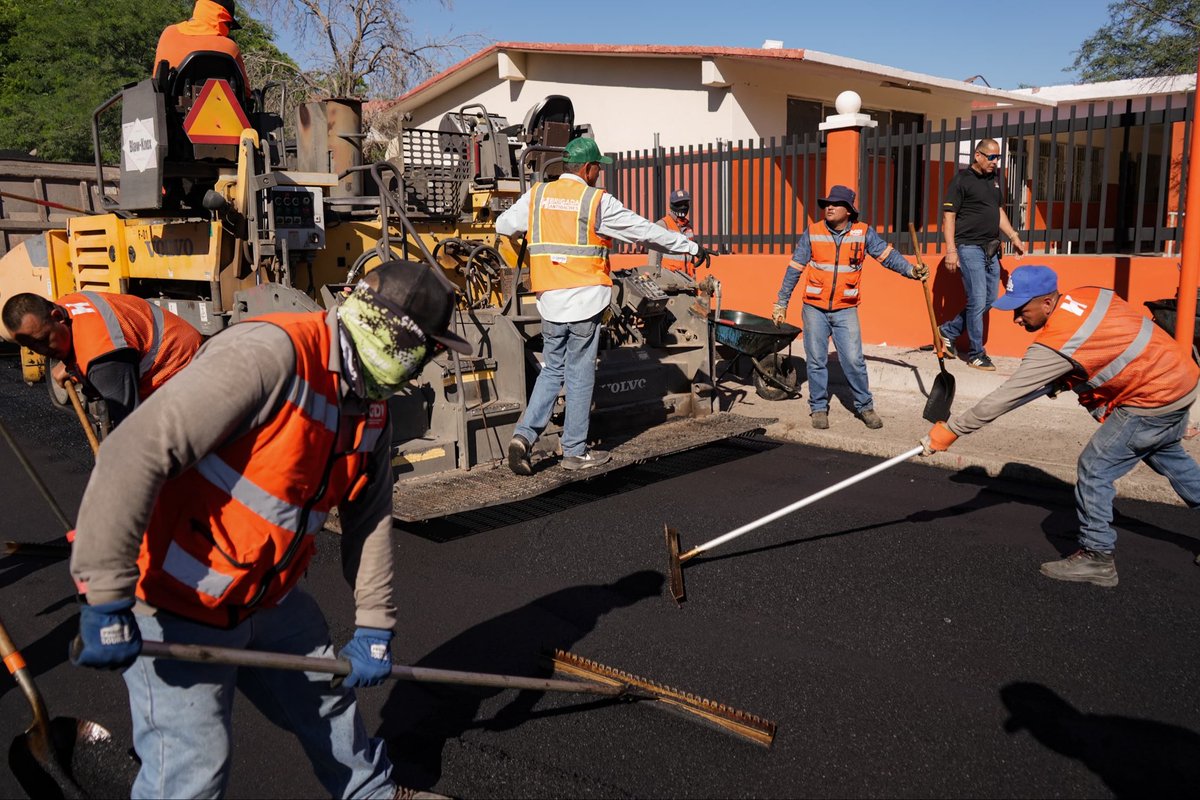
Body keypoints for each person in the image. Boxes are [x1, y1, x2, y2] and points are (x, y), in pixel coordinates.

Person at [67, 261, 470, 799]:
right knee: (191, 765)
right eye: (428, 348)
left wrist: (374, 625)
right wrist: (105, 592)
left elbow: (368, 517)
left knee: (326, 699)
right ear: (392, 332)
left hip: (267, 596)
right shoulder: (270, 355)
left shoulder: (371, 409)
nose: (426, 364)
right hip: (174, 599)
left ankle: (370, 792)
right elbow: (134, 450)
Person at [922, 265, 1200, 588]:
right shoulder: (1086, 295)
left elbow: (1004, 398)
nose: (1016, 319)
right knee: (1172, 461)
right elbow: (1105, 341)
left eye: (1021, 310)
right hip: (1181, 381)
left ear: (1048, 304)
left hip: (1152, 398)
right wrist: (1067, 378)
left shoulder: (1056, 341)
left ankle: (1098, 557)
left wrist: (953, 429)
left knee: (1095, 467)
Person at [496, 137, 708, 475]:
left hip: (549, 300)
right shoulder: (595, 202)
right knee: (580, 373)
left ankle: (523, 436)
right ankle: (575, 452)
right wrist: (691, 248)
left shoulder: (536, 196)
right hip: (583, 301)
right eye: (597, 168)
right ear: (587, 168)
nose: (598, 174)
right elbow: (645, 231)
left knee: (552, 369)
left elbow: (502, 225)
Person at [771, 185, 927, 430]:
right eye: (826, 204)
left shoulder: (863, 233)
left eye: (835, 204)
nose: (829, 207)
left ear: (849, 210)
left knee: (854, 360)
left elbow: (887, 256)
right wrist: (781, 302)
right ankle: (819, 408)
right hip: (814, 308)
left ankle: (865, 406)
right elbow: (795, 268)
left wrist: (910, 270)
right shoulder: (813, 232)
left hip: (846, 309)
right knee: (816, 361)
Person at [3, 291, 202, 428]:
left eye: (44, 340)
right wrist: (71, 366)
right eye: (31, 346)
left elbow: (130, 427)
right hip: (170, 341)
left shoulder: (102, 361)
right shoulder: (68, 303)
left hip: (178, 367)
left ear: (57, 317)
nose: (41, 351)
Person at [938, 138, 1026, 371]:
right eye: (992, 157)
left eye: (998, 158)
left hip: (991, 248)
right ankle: (976, 353)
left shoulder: (995, 182)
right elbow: (949, 216)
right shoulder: (961, 180)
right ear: (977, 156)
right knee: (976, 299)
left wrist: (1014, 237)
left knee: (989, 300)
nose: (995, 162)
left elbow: (998, 212)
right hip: (968, 248)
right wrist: (951, 250)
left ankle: (949, 331)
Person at [154, 0, 250, 100]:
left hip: (172, 113)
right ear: (224, 20)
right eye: (229, 25)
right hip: (222, 112)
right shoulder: (230, 47)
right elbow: (246, 92)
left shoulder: (170, 33)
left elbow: (156, 82)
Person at [650, 189, 697, 276]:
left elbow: (691, 257)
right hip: (669, 281)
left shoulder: (688, 228)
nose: (683, 207)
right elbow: (654, 255)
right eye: (679, 204)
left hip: (687, 280)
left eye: (685, 204)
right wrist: (653, 278)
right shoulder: (662, 225)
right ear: (672, 205)